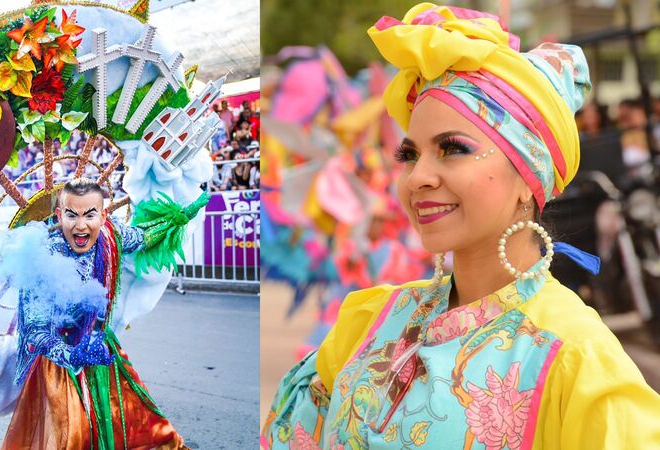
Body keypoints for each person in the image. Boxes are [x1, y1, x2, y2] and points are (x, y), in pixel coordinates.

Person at [262, 4, 660, 449]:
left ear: (529, 178)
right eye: (410, 155)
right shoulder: (367, 322)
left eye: (452, 148)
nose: (417, 178)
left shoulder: (575, 360)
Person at [4, 178, 207, 449]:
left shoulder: (111, 236)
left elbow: (143, 236)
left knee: (138, 422)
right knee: (73, 436)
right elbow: (35, 332)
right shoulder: (44, 257)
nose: (80, 225)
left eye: (90, 215)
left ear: (103, 215)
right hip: (58, 367)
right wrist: (72, 355)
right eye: (71, 215)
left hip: (102, 351)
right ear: (58, 215)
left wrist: (178, 218)